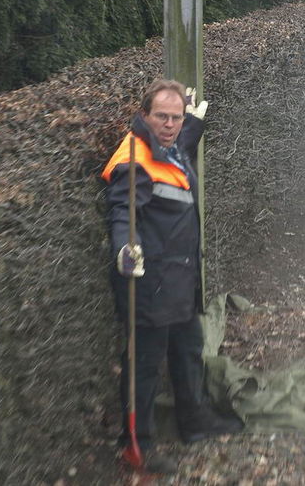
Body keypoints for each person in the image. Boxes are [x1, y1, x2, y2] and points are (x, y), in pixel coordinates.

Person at [102, 79, 242, 474]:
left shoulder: (170, 148)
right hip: (149, 285)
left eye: (176, 117)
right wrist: (125, 247)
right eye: (161, 116)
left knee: (188, 352)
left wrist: (192, 125)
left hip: (180, 281)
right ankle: (137, 447)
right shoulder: (134, 158)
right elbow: (122, 210)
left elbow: (178, 148)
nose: (169, 124)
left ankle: (194, 422)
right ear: (144, 115)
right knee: (144, 368)